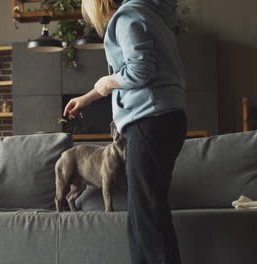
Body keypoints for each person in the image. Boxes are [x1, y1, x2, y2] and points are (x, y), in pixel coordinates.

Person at [63, 0, 187, 263]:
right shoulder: (149, 13)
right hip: (165, 117)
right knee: (143, 211)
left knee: (148, 213)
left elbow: (140, 70)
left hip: (150, 120)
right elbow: (129, 71)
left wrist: (108, 81)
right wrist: (87, 97)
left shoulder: (127, 17)